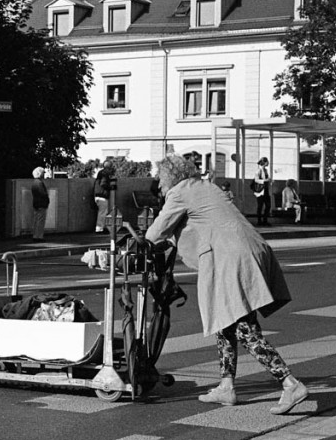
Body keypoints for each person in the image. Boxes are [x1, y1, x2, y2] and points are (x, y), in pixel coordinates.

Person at [144, 154, 308, 415]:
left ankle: (290, 383)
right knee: (225, 322)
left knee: (245, 328)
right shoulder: (207, 187)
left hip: (231, 258)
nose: (160, 188)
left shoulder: (179, 193)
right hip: (250, 249)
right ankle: (226, 386)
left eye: (160, 182)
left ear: (169, 178)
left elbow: (154, 234)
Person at [93, 160, 114, 233]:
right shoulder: (105, 174)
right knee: (102, 212)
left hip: (98, 195)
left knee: (103, 212)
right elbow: (103, 184)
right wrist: (110, 187)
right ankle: (99, 229)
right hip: (102, 195)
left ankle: (101, 228)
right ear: (109, 167)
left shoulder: (101, 173)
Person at [30, 166, 50, 241]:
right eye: (42, 173)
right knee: (40, 221)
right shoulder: (39, 183)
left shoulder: (34, 183)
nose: (43, 175)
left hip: (36, 203)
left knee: (36, 220)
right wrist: (47, 199)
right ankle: (39, 236)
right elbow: (43, 194)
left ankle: (35, 235)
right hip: (41, 203)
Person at [253, 157, 271, 225]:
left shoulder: (265, 170)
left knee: (268, 205)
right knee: (260, 205)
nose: (268, 163)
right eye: (267, 162)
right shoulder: (258, 171)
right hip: (260, 191)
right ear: (264, 162)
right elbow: (256, 180)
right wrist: (264, 181)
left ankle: (265, 220)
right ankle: (259, 221)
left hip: (265, 190)